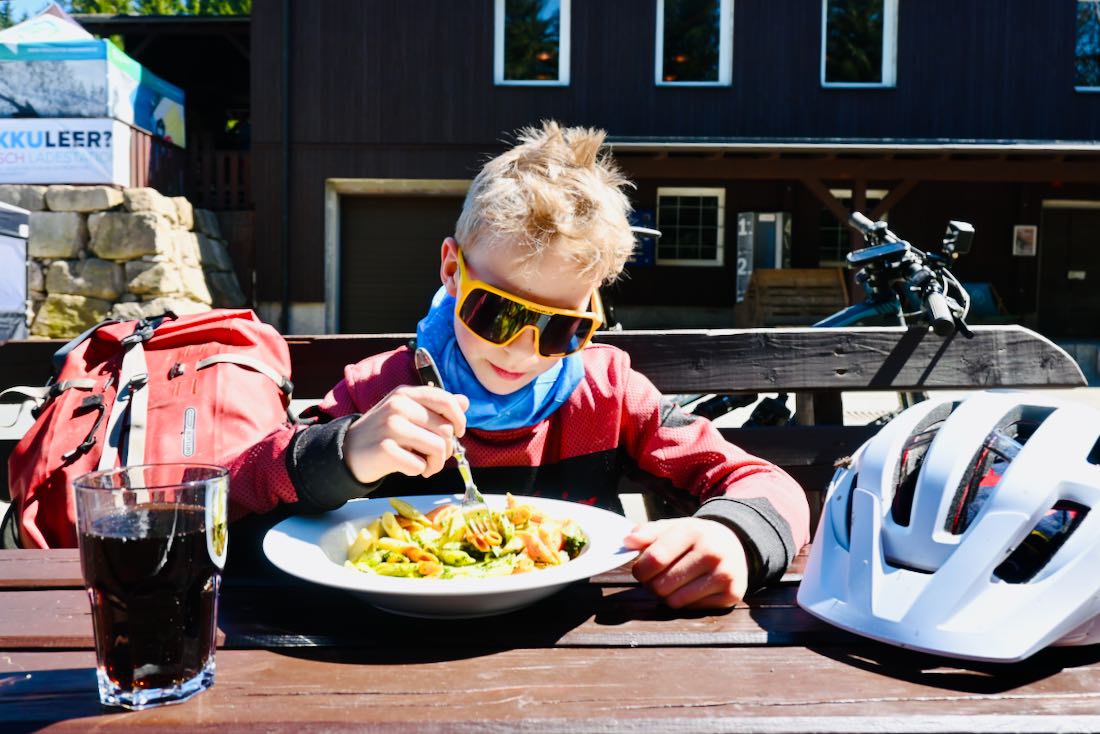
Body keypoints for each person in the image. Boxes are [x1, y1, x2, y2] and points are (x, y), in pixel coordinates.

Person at [231, 121, 809, 608]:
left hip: (577, 652)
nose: (522, 351)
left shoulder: (607, 392)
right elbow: (238, 492)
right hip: (381, 646)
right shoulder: (378, 390)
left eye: (561, 327)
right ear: (452, 270)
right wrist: (343, 453)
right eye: (497, 313)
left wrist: (733, 536)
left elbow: (768, 485)